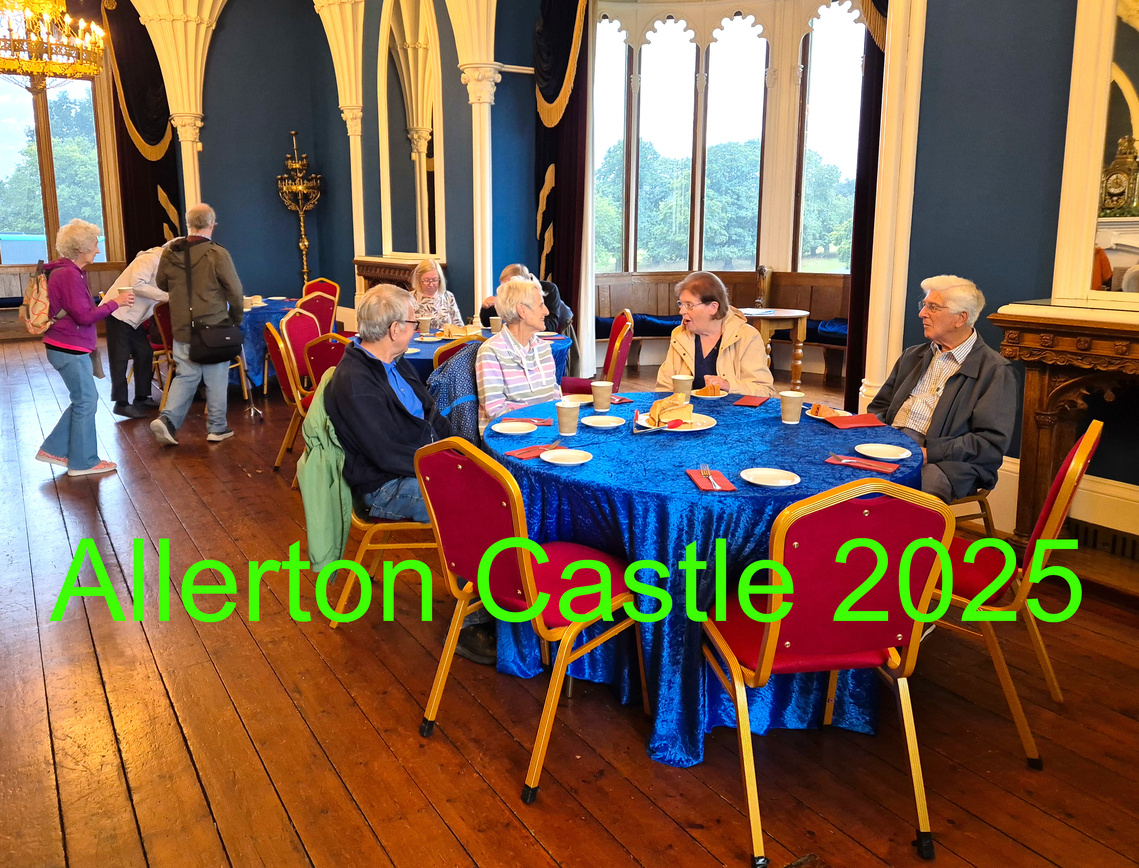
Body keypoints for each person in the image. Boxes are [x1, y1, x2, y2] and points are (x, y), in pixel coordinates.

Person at [323, 286, 493, 664]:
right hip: (382, 485)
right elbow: (385, 453)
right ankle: (474, 623)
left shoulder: (395, 361)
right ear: (395, 329)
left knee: (497, 487)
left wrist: (464, 453)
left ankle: (505, 598)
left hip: (422, 464)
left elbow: (433, 416)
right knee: (474, 507)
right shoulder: (355, 381)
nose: (418, 327)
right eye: (414, 322)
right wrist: (448, 470)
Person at [869, 275, 1017, 502]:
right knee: (840, 474)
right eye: (924, 305)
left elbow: (989, 443)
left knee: (911, 495)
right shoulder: (913, 355)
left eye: (933, 307)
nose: (922, 313)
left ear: (960, 318)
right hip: (894, 445)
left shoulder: (995, 370)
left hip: (948, 462)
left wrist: (930, 453)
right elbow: (879, 407)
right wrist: (882, 439)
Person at [36, 219, 134, 477]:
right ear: (80, 247)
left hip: (66, 345)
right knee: (86, 401)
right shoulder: (69, 274)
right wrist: (115, 302)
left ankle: (55, 449)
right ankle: (83, 462)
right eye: (95, 244)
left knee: (83, 400)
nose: (98, 250)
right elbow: (84, 316)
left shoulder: (66, 271)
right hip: (68, 347)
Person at [150, 203, 244, 447]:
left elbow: (161, 284)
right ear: (212, 225)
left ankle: (168, 419)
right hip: (214, 328)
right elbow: (235, 292)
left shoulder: (170, 253)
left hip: (182, 327)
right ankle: (217, 428)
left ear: (188, 224)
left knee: (186, 375)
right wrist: (235, 320)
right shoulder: (217, 254)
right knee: (216, 377)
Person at [655, 271, 776, 397]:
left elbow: (765, 391)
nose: (682, 311)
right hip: (688, 409)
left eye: (689, 305)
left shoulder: (747, 336)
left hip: (733, 409)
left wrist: (728, 385)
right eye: (681, 304)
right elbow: (664, 388)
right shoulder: (679, 335)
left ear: (713, 307)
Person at [475, 277, 562, 432]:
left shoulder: (543, 348)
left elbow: (554, 396)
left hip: (545, 430)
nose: (547, 311)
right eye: (541, 305)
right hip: (508, 436)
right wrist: (540, 423)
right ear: (522, 311)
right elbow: (495, 411)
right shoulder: (491, 351)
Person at [103, 245, 170, 418]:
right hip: (119, 312)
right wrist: (166, 296)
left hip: (133, 317)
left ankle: (142, 397)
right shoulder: (150, 258)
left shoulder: (164, 263)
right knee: (120, 359)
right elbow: (137, 285)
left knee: (145, 352)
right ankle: (121, 404)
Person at [479, 264, 572, 333]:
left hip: (561, 330)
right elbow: (487, 323)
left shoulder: (548, 289)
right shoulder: (508, 294)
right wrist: (487, 308)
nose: (505, 290)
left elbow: (551, 326)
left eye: (508, 286)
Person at [410, 258, 462, 331]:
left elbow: (459, 326)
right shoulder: (409, 298)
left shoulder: (448, 296)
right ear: (418, 279)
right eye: (426, 280)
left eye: (435, 280)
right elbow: (402, 328)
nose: (431, 284)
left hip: (444, 338)